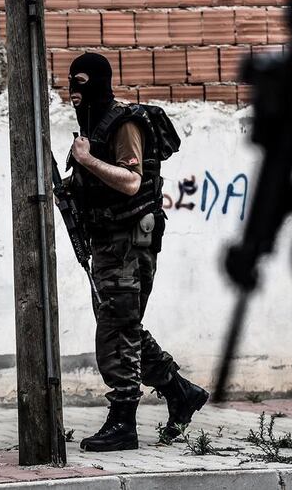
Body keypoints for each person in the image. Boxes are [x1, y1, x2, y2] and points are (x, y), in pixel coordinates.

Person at [65, 52, 208, 452]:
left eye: (80, 81)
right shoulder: (92, 125)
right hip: (109, 243)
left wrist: (86, 160)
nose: (73, 91)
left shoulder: (123, 122)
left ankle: (123, 422)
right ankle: (179, 391)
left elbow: (130, 182)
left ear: (97, 81)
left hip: (129, 243)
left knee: (117, 328)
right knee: (122, 324)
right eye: (70, 82)